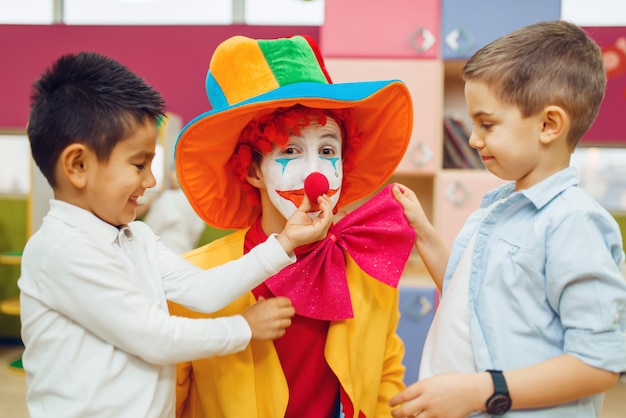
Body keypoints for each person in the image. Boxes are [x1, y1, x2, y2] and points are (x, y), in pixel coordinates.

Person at [18, 51, 334, 418]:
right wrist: (243, 328)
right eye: (138, 165)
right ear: (78, 165)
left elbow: (204, 291)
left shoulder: (137, 237)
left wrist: (285, 242)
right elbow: (155, 338)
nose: (151, 181)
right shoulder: (61, 250)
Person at [168, 34, 416, 417]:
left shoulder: (367, 266)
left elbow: (385, 378)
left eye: (328, 151)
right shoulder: (196, 281)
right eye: (290, 150)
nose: (315, 174)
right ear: (252, 170)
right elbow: (169, 401)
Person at [388, 20, 626, 417]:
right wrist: (423, 234)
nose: (473, 139)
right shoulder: (496, 208)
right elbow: (473, 298)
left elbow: (598, 364)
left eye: (487, 124)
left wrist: (482, 390)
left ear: (549, 125)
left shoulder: (574, 224)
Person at [142, 166, 207, 254]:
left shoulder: (167, 197)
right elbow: (197, 230)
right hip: (187, 252)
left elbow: (150, 229)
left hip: (164, 251)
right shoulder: (196, 202)